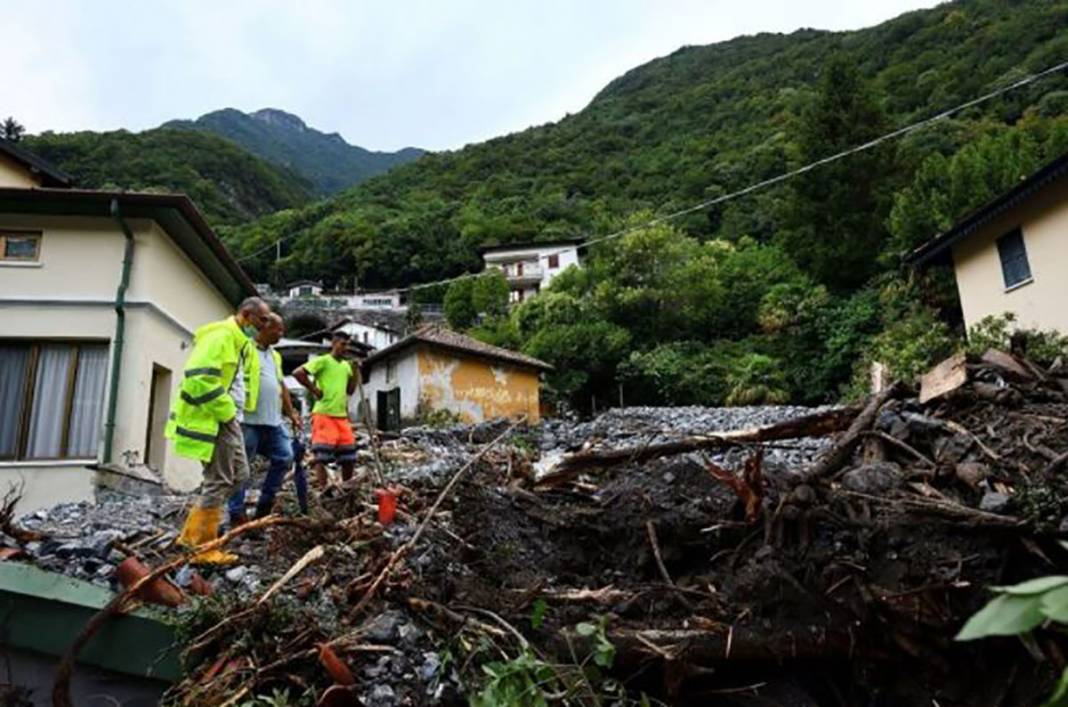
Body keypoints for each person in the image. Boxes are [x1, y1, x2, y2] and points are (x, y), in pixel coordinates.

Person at [167, 296, 270, 564]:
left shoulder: (240, 341)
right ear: (246, 315)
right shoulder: (222, 337)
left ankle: (191, 536)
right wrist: (225, 412)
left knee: (240, 474)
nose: (264, 326)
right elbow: (199, 377)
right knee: (220, 479)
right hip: (215, 418)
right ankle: (203, 549)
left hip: (228, 418)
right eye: (262, 320)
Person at [226, 313, 306, 525]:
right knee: (242, 468)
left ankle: (265, 504)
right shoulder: (245, 349)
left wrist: (292, 414)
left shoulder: (275, 356)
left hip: (273, 421)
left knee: (285, 456)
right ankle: (236, 513)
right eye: (277, 330)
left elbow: (281, 386)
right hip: (249, 421)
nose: (281, 334)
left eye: (282, 330)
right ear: (263, 327)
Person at [294, 332, 358, 486]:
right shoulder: (323, 361)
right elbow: (298, 373)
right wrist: (314, 390)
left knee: (348, 456)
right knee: (322, 456)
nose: (346, 348)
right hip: (324, 414)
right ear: (334, 344)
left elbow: (350, 390)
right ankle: (324, 490)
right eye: (343, 344)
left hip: (341, 417)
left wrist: (355, 372)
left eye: (348, 345)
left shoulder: (346, 366)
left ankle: (347, 489)